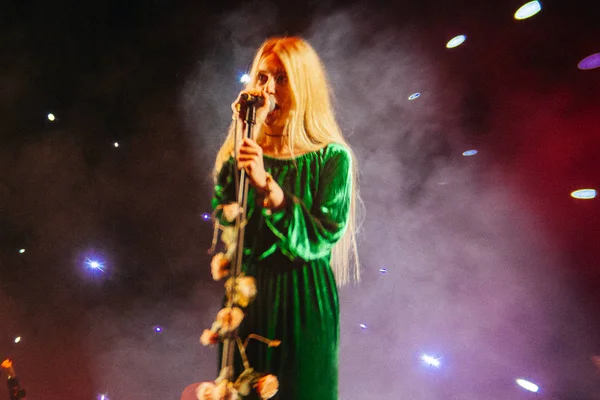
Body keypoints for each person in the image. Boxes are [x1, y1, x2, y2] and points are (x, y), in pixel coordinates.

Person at [212, 36, 360, 400]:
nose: (268, 89)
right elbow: (225, 213)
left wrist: (271, 191)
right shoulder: (244, 149)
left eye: (281, 79)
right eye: (262, 78)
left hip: (302, 298)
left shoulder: (331, 158)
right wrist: (243, 134)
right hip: (250, 296)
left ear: (303, 87)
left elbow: (320, 237)